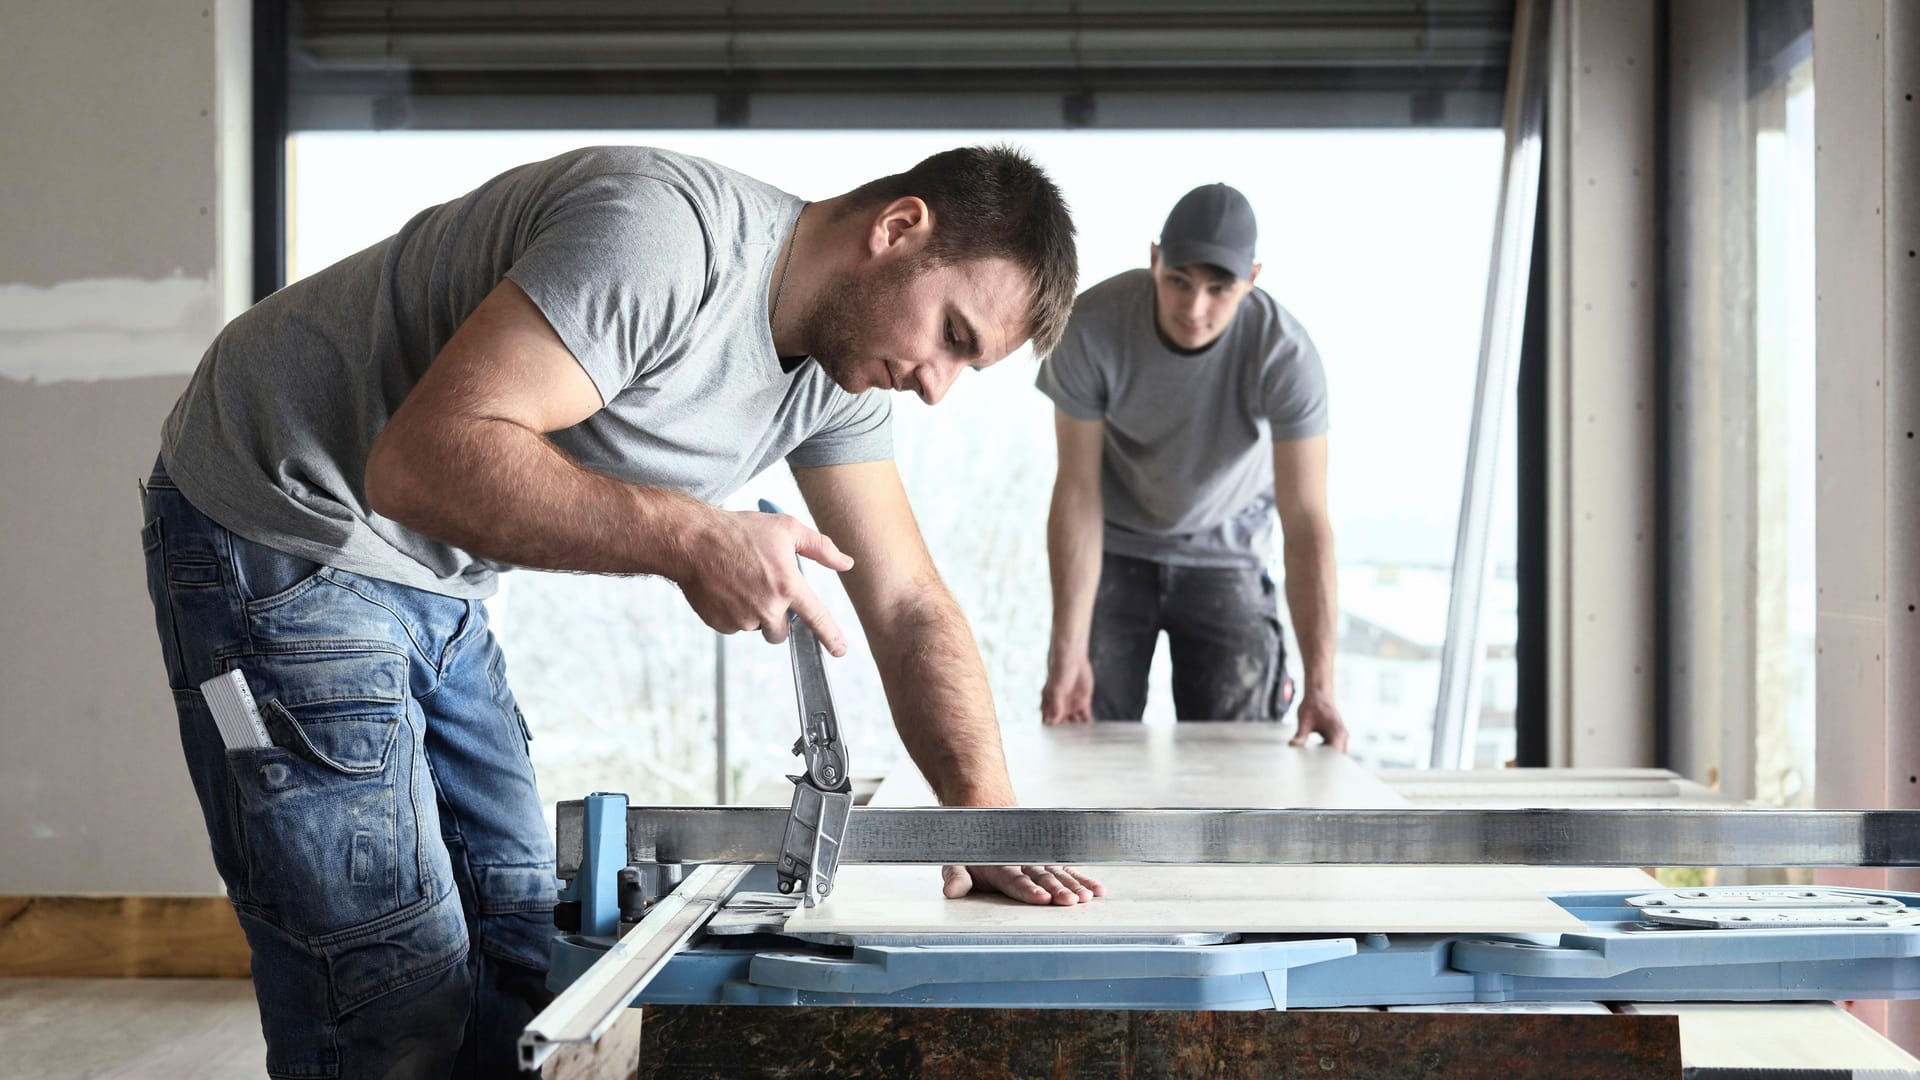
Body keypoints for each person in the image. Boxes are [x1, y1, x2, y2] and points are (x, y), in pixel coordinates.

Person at [138, 144, 1102, 1080]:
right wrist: (691, 539)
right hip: (281, 514)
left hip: (438, 576)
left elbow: (906, 603)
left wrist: (984, 821)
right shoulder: (666, 238)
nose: (938, 385)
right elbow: (419, 460)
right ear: (898, 229)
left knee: (521, 942)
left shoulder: (835, 384)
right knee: (386, 979)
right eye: (954, 337)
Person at [1035, 182, 1348, 749]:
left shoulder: (1287, 356)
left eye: (1218, 289)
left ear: (1251, 281)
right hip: (1116, 548)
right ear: (1154, 260)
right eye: (1178, 281)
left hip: (1226, 550)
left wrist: (1322, 686)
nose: (1194, 308)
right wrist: (1068, 652)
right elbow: (1077, 492)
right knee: (1082, 740)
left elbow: (1305, 521)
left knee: (1245, 759)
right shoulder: (1090, 327)